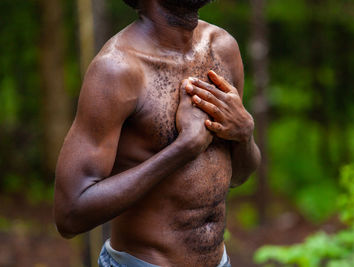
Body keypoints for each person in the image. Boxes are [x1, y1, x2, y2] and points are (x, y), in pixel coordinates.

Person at [54, 0, 261, 266]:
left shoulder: (223, 47)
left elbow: (239, 176)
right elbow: (70, 215)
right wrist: (182, 149)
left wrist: (244, 134)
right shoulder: (117, 69)